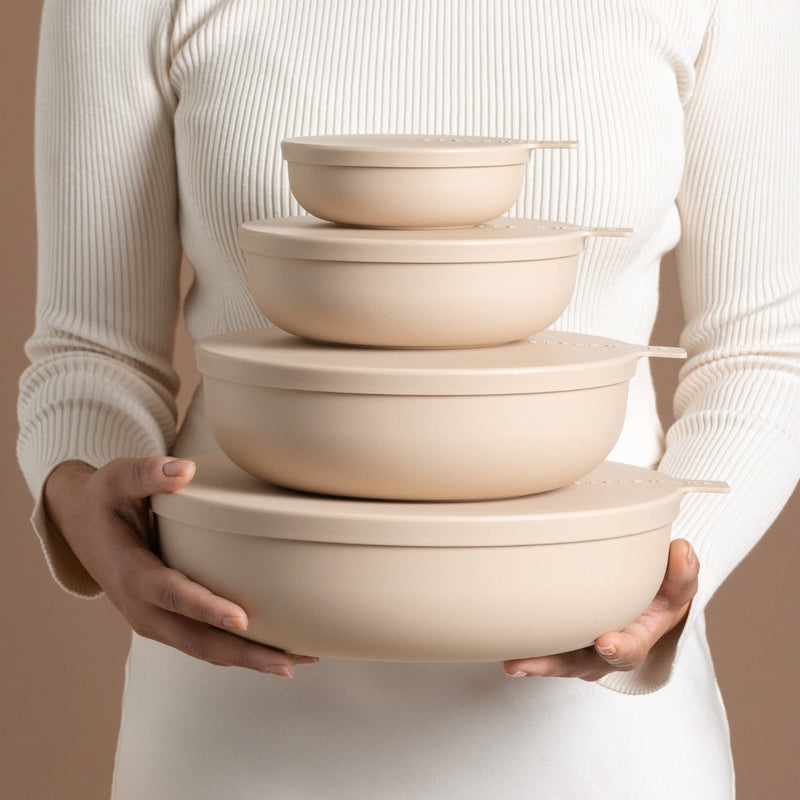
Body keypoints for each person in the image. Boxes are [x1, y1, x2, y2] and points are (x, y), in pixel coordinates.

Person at [18, 1, 799, 797]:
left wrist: (658, 579)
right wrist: (85, 496)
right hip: (236, 696)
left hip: (594, 729)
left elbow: (767, 348)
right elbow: (92, 349)